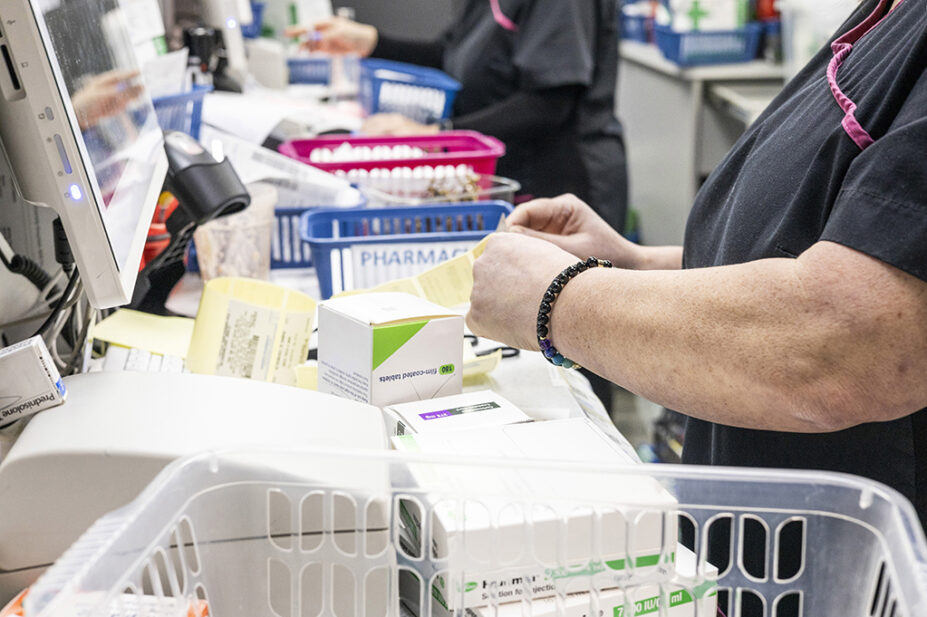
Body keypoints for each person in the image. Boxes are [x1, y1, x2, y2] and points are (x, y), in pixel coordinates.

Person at [466, 0, 927, 529]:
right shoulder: (890, 15)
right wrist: (636, 266)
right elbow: (851, 252)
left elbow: (842, 344)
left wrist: (558, 299)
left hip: (860, 566)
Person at [291, 0, 629, 234]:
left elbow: (550, 102)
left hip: (562, 181)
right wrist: (370, 42)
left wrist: (436, 135)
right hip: (510, 172)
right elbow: (451, 54)